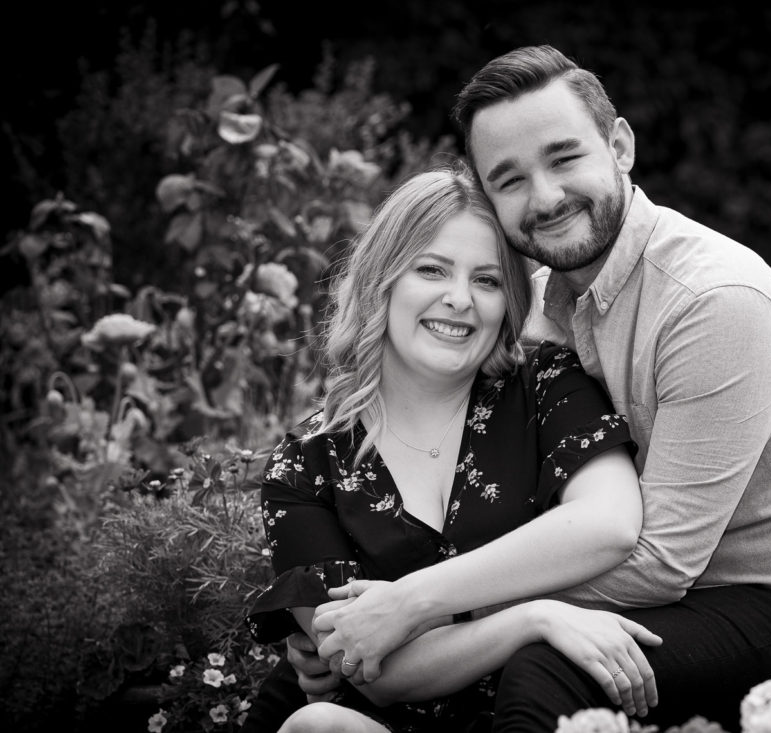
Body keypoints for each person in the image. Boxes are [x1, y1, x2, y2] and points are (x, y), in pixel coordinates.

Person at [308, 46, 771, 732]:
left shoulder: (713, 302)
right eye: (509, 179)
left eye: (564, 158)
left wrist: (423, 606)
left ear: (620, 145)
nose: (544, 197)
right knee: (324, 691)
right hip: (677, 605)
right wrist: (358, 618)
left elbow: (660, 564)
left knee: (551, 663)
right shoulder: (534, 304)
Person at [242, 164, 663, 733]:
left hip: (540, 709)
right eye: (432, 269)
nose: (459, 299)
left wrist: (410, 605)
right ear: (380, 281)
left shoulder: (545, 385)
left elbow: (608, 523)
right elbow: (368, 666)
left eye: (487, 280)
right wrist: (532, 618)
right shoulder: (306, 466)